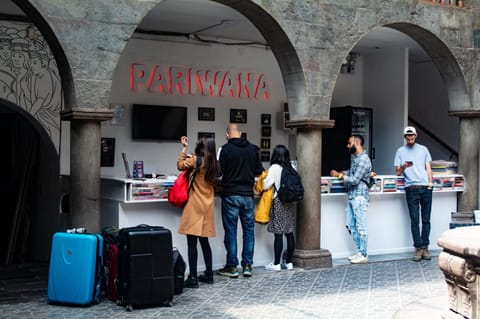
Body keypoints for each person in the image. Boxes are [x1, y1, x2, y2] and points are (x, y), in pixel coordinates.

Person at [218, 124, 264, 278]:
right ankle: (248, 266)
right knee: (248, 231)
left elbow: (219, 172)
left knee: (231, 231)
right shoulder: (253, 149)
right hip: (248, 195)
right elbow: (259, 171)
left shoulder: (225, 150)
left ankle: (232, 267)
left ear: (227, 135)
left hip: (230, 194)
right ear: (241, 133)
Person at [177, 136, 220, 287]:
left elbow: (180, 165)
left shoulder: (196, 160)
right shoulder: (215, 164)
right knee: (204, 241)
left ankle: (193, 278)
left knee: (191, 242)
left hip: (195, 204)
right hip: (207, 205)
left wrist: (184, 148)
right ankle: (209, 274)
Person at [330, 135, 372, 264]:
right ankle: (360, 251)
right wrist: (342, 173)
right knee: (351, 225)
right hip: (353, 196)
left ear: (357, 142)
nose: (347, 146)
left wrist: (339, 175)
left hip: (359, 197)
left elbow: (354, 180)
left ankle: (363, 254)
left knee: (360, 226)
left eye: (349, 143)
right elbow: (352, 173)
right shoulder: (357, 159)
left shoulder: (364, 160)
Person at [394, 126, 433, 262]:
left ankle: (425, 247)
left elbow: (428, 167)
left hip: (425, 187)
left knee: (426, 219)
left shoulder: (423, 149)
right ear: (405, 137)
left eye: (412, 137)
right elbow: (398, 172)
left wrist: (430, 183)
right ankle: (418, 249)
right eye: (408, 138)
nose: (410, 140)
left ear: (416, 135)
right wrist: (404, 166)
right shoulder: (400, 151)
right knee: (415, 220)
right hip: (411, 188)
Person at [262, 145, 296, 271]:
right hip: (289, 202)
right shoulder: (291, 167)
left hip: (278, 201)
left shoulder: (275, 168)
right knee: (289, 232)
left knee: (278, 233)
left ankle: (276, 263)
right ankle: (289, 262)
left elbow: (266, 185)